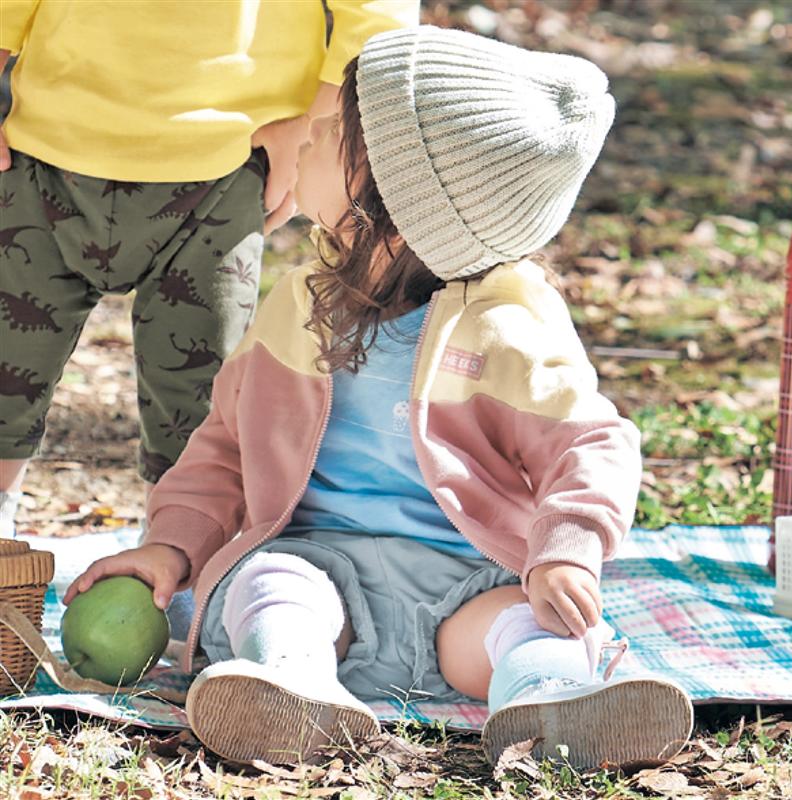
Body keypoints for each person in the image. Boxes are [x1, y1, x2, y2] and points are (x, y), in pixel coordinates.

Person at [65, 27, 694, 770]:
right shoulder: (299, 307)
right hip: (319, 567)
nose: (307, 134)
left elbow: (590, 444)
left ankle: (553, 700)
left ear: (397, 198)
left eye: (332, 130)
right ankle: (292, 687)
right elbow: (225, 449)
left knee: (525, 626)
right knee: (271, 589)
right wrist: (172, 546)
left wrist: (566, 554)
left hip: (466, 578)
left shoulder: (507, 324)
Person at [0, 0, 419, 537]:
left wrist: (316, 120)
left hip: (224, 167)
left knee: (199, 405)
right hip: (43, 154)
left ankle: (178, 553)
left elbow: (377, 14)